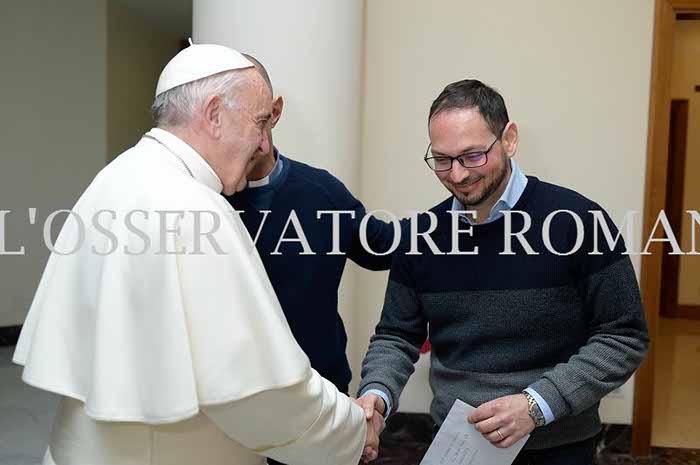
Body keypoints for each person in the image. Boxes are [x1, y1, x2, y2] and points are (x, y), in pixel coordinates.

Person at [13, 43, 383, 465]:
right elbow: (257, 395)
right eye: (259, 123)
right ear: (214, 114)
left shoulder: (117, 176)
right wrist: (354, 429)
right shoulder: (194, 207)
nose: (263, 143)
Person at [356, 79, 649, 464]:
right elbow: (396, 336)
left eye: (472, 156)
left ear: (509, 139)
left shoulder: (579, 223)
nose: (457, 175)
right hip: (458, 445)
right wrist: (376, 396)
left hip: (558, 446)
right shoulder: (421, 236)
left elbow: (624, 336)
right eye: (442, 159)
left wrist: (536, 404)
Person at [227, 55, 403, 397]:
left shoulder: (322, 192)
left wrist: (455, 221)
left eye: (254, 119)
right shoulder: (202, 198)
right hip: (235, 394)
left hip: (321, 389)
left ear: (274, 112)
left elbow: (383, 247)